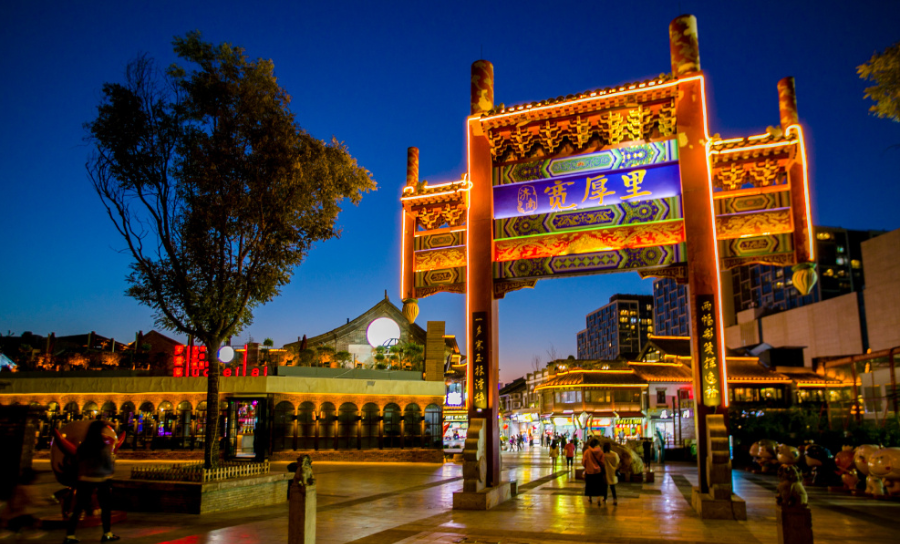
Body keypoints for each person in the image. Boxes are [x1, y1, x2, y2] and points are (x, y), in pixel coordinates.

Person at [55, 420, 121, 543]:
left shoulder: (84, 446)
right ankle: (107, 533)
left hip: (84, 480)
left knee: (78, 508)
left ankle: (70, 535)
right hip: (101, 480)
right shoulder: (103, 446)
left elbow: (78, 461)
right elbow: (108, 464)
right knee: (105, 508)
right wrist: (110, 472)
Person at [582, 438, 604, 504]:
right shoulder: (601, 452)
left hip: (589, 471)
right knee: (598, 485)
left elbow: (584, 461)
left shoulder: (587, 452)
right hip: (598, 471)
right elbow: (602, 462)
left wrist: (586, 466)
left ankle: (590, 498)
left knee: (590, 485)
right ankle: (598, 499)